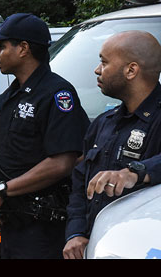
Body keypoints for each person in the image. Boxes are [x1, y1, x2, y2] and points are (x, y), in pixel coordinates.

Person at [0, 13, 90, 259]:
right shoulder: (8, 99)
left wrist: (1, 189)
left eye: (2, 46)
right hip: (10, 223)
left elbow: (62, 162)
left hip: (42, 226)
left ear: (23, 48)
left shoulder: (57, 94)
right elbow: (3, 152)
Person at [63, 30, 161, 259]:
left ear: (131, 70)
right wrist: (75, 233)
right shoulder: (103, 123)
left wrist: (134, 172)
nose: (97, 70)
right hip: (98, 249)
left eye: (104, 62)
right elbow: (80, 185)